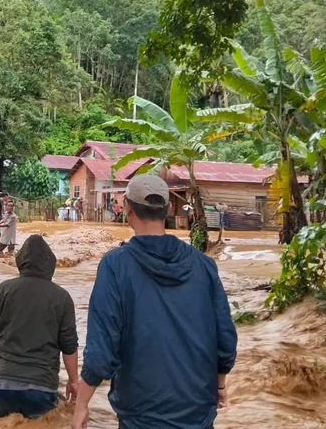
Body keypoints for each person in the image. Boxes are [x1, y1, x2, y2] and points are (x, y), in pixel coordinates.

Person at [72, 174, 237, 429]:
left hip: (140, 416)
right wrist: (219, 384)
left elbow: (101, 350)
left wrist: (82, 405)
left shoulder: (115, 265)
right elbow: (225, 339)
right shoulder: (204, 266)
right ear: (169, 209)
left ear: (127, 208)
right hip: (198, 414)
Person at [0, 234, 79, 420]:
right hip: (41, 388)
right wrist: (74, 381)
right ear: (50, 264)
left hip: (3, 385)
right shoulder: (62, 297)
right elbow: (69, 347)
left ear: (20, 262)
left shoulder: (3, 290)